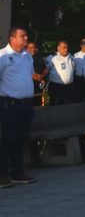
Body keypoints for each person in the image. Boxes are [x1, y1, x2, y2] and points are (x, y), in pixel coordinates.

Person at [0, 27, 36, 187]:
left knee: (20, 139)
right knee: (7, 140)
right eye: (22, 36)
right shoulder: (3, 56)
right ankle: (2, 175)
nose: (26, 38)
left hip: (26, 104)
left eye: (26, 36)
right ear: (12, 38)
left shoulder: (27, 56)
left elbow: (28, 76)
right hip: (9, 104)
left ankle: (17, 172)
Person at [46, 40, 76, 105]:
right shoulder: (52, 57)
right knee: (56, 106)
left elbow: (74, 69)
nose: (66, 49)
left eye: (67, 47)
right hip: (56, 87)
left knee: (69, 107)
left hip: (69, 87)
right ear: (58, 48)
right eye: (64, 48)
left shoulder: (72, 57)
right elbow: (46, 70)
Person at [26, 41, 48, 106]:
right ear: (26, 49)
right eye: (30, 48)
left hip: (40, 85)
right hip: (28, 86)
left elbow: (46, 69)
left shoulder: (40, 57)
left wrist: (41, 76)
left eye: (34, 47)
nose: (33, 49)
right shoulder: (24, 58)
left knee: (40, 104)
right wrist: (35, 76)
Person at [73, 38, 85, 102]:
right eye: (84, 43)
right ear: (80, 45)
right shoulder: (75, 55)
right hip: (78, 79)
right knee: (78, 98)